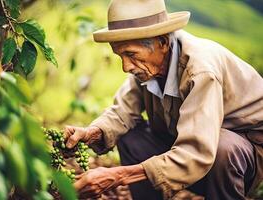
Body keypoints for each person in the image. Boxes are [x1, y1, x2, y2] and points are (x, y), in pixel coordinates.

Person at [64, 0, 263, 199]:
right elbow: (122, 112)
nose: (126, 67)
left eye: (131, 54)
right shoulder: (146, 67)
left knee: (223, 149)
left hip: (241, 159)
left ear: (162, 43)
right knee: (128, 134)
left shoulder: (201, 70)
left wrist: (118, 176)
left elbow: (196, 152)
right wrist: (92, 132)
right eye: (120, 56)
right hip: (185, 145)